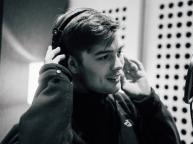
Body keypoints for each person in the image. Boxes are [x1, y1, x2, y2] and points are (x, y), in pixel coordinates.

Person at [1, 8, 181, 144]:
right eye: (104, 57)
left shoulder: (126, 104)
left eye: (119, 52)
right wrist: (55, 76)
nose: (118, 65)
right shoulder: (49, 119)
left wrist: (148, 101)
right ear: (71, 64)